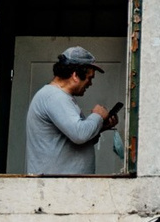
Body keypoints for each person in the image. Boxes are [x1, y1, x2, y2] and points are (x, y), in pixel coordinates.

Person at [24, 46, 121, 175]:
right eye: (89, 78)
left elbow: (70, 141)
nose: (90, 83)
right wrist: (97, 115)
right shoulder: (54, 96)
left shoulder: (57, 96)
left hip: (62, 187)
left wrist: (101, 126)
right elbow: (79, 134)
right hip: (55, 187)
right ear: (75, 75)